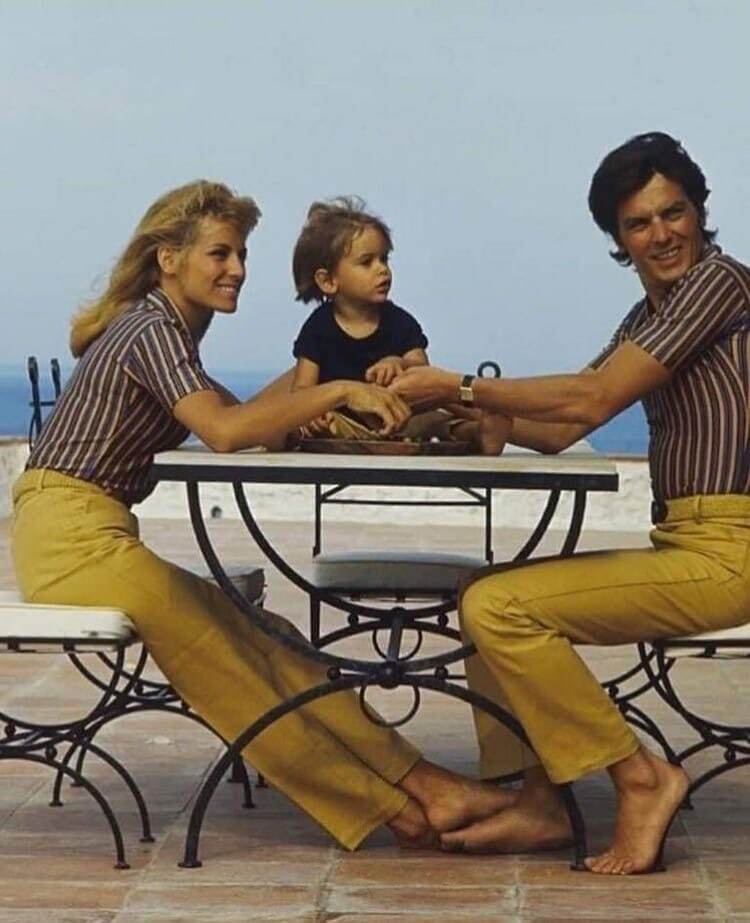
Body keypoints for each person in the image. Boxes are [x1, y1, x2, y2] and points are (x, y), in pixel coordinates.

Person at [10, 180, 516, 853]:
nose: (238, 269)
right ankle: (400, 805)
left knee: (271, 634)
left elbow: (256, 420)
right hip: (67, 538)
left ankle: (420, 782)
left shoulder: (168, 338)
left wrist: (338, 365)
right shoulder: (150, 328)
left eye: (242, 253)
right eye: (220, 253)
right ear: (168, 258)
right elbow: (224, 430)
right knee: (228, 661)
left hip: (91, 532)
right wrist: (338, 388)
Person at [390, 132, 750, 874]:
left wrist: (459, 386)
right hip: (686, 542)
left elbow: (593, 394)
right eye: (639, 223)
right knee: (483, 594)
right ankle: (539, 798)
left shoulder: (721, 285)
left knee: (502, 609)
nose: (661, 234)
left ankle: (642, 778)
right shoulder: (648, 315)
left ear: (700, 209)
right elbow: (568, 425)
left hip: (731, 548)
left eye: (673, 212)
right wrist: (464, 418)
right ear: (617, 238)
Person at [291, 197, 509, 453]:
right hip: (347, 424)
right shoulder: (318, 328)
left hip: (404, 418)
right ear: (328, 281)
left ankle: (479, 433)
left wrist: (400, 362)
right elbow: (302, 389)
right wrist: (312, 413)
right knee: (324, 425)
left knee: (436, 421)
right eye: (367, 262)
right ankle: (385, 445)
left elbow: (422, 369)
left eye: (384, 259)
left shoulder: (398, 322)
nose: (382, 270)